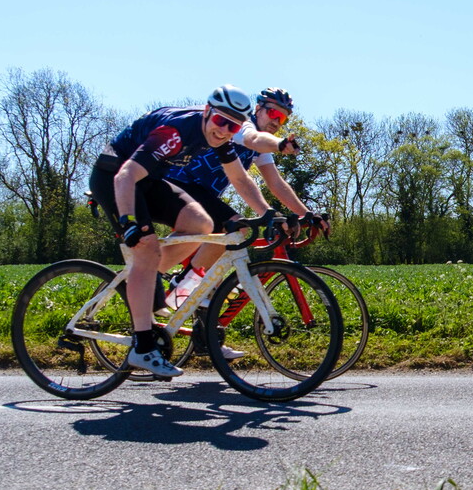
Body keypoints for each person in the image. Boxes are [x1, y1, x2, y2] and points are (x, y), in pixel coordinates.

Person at [88, 85, 277, 377]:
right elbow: (126, 175)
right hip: (115, 177)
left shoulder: (220, 138)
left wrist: (266, 214)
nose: (225, 130)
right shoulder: (175, 131)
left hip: (148, 180)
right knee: (146, 248)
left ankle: (147, 280)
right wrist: (128, 222)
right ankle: (143, 346)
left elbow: (239, 179)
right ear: (206, 112)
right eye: (220, 121)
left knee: (201, 224)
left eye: (233, 126)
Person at [161, 86, 327, 308]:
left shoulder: (261, 148)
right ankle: (181, 288)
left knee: (212, 281)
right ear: (258, 109)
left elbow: (276, 183)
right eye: (274, 113)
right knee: (235, 227)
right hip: (178, 185)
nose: (277, 122)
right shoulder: (238, 125)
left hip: (203, 197)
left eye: (283, 119)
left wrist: (306, 214)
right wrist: (278, 144)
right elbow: (253, 139)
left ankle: (204, 329)